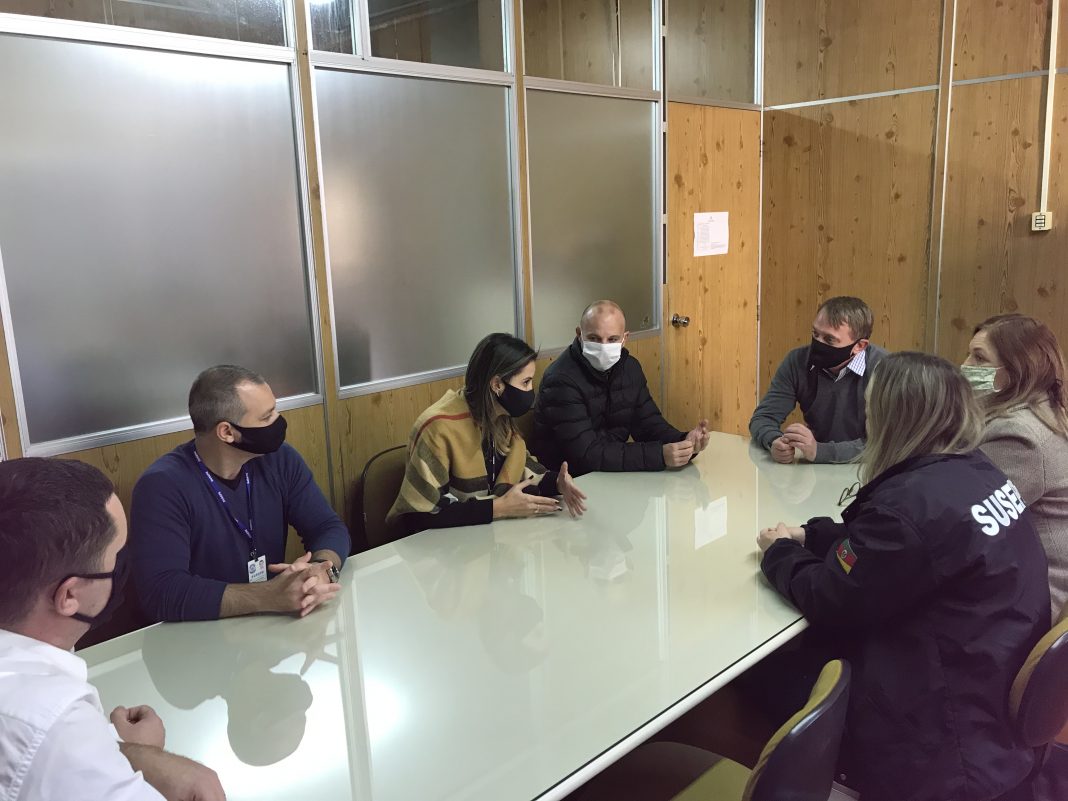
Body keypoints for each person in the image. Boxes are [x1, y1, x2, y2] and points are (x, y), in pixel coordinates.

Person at [757, 352, 1049, 801]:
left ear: (894, 418)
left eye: (871, 408)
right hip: (988, 686)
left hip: (943, 734)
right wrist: (815, 535)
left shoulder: (908, 508)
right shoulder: (974, 471)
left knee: (767, 673)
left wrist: (779, 554)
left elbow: (831, 597)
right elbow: (900, 550)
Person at [0, 457, 225, 801]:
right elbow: (54, 751)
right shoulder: (54, 727)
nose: (124, 567)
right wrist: (143, 754)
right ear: (69, 595)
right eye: (117, 557)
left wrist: (123, 750)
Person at [131, 365, 350, 622]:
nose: (278, 420)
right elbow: (162, 592)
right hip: (200, 633)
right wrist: (267, 596)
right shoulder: (162, 486)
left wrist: (321, 570)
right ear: (227, 432)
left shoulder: (280, 459)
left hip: (270, 625)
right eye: (267, 417)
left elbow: (327, 527)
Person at [388, 333, 587, 534]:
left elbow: (523, 472)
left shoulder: (501, 419)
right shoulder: (438, 427)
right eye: (525, 382)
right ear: (497, 384)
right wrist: (497, 509)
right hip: (442, 545)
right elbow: (420, 516)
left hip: (486, 537)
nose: (530, 391)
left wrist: (557, 482)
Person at [963, 313, 1068, 621]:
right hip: (1018, 575)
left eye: (979, 358)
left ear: (1016, 369)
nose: (965, 365)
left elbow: (963, 520)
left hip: (1031, 598)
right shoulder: (1039, 410)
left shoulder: (1019, 435)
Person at [532, 300, 709, 474]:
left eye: (612, 339)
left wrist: (684, 441)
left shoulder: (630, 368)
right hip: (568, 479)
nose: (603, 346)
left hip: (610, 470)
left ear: (625, 339)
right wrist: (659, 455)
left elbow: (648, 424)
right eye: (594, 338)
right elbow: (586, 454)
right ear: (579, 334)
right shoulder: (560, 380)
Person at [749, 296, 888, 464]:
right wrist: (774, 441)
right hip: (817, 468)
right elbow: (763, 417)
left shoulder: (885, 370)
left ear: (859, 346)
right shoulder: (797, 361)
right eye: (815, 333)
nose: (818, 343)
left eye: (829, 339)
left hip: (869, 468)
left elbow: (886, 443)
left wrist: (820, 451)